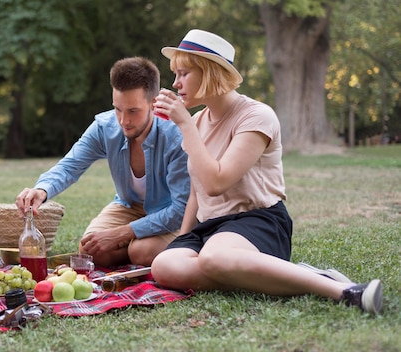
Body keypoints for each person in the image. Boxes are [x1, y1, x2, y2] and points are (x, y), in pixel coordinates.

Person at [150, 29, 383, 314]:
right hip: (211, 228)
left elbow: (216, 182)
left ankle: (337, 288)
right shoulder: (198, 121)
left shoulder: (256, 116)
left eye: (184, 73)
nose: (176, 83)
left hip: (257, 221)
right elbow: (198, 190)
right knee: (164, 266)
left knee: (214, 258)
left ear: (209, 72)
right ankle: (273, 273)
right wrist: (184, 238)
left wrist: (184, 125)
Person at [16, 57, 190, 267]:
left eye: (133, 111)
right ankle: (138, 248)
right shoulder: (105, 127)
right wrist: (42, 190)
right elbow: (70, 165)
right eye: (118, 108)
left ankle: (146, 248)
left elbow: (181, 209)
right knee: (90, 250)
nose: (123, 121)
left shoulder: (176, 135)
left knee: (142, 252)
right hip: (129, 206)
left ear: (154, 103)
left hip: (169, 212)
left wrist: (122, 234)